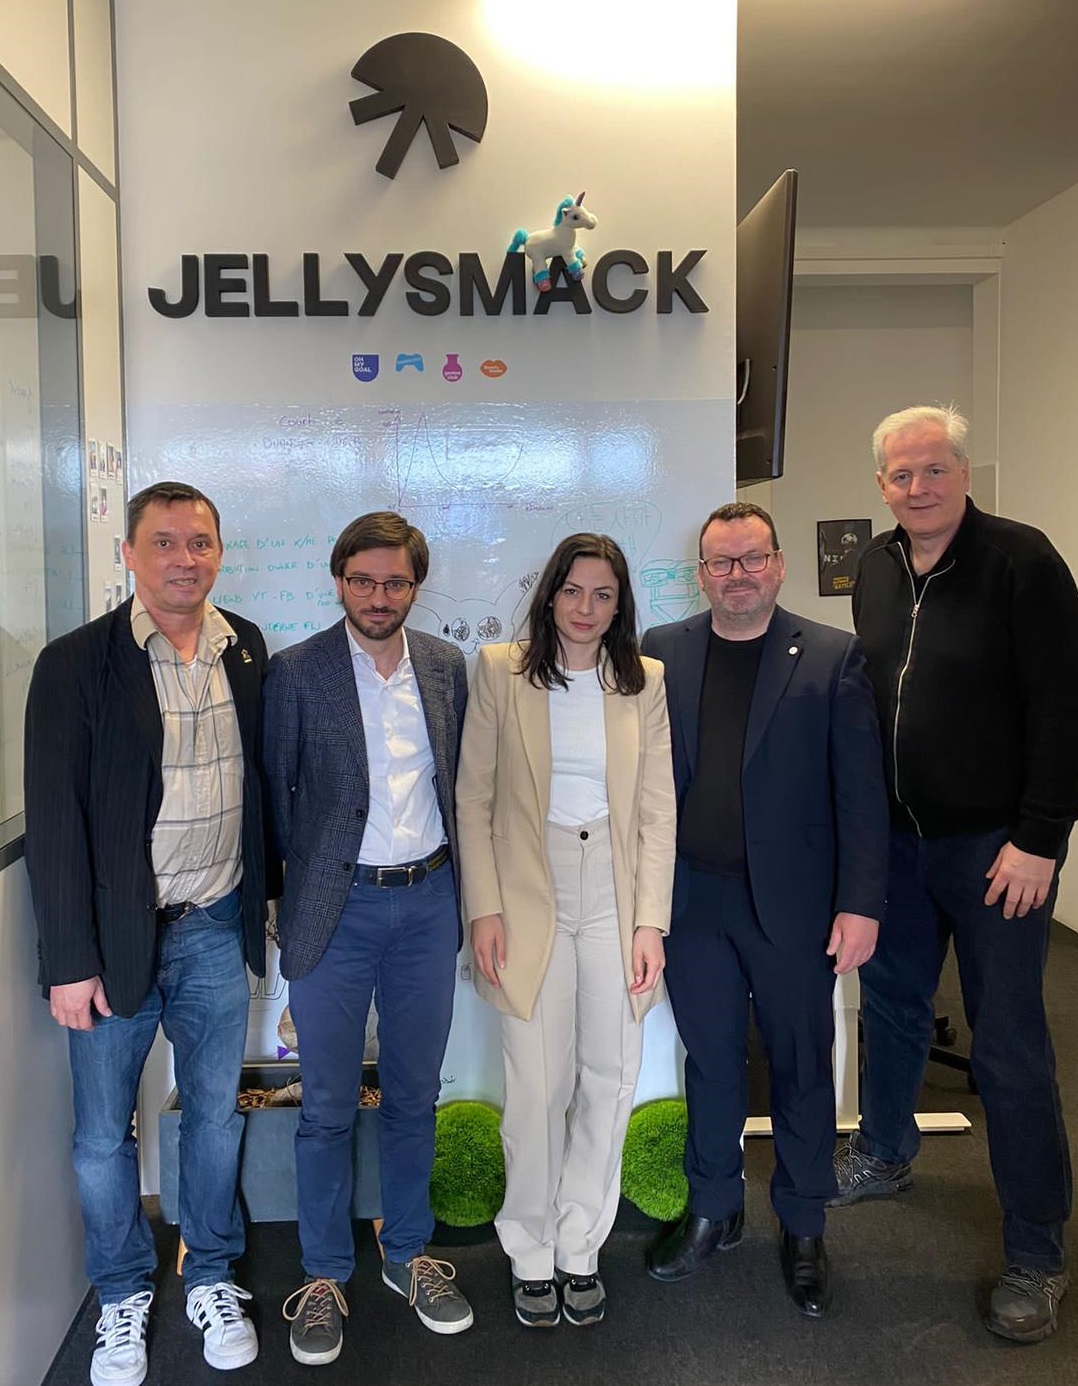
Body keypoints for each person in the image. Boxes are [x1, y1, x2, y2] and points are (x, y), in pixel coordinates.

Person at [830, 404, 1078, 1343]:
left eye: (935, 469)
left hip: (995, 851)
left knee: (1009, 1043)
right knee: (893, 1010)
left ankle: (1036, 1250)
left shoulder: (1023, 562)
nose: (919, 486)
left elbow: (1064, 706)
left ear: (964, 473)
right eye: (902, 474)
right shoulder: (876, 567)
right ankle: (887, 1153)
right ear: (881, 485)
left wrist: (1041, 836)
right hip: (899, 847)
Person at [24, 481, 276, 1386]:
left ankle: (209, 1273)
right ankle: (123, 1292)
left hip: (215, 922)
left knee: (212, 1116)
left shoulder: (245, 647)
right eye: (163, 542)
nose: (184, 559)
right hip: (112, 939)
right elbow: (55, 818)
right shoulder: (75, 663)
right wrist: (69, 960)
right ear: (128, 554)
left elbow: (263, 784)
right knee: (103, 1137)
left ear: (220, 552)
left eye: (199, 542)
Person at [641, 501, 888, 1317]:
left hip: (796, 906)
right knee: (711, 1061)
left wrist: (861, 904)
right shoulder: (661, 652)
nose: (737, 575)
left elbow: (862, 796)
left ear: (778, 565)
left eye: (751, 558)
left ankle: (804, 1224)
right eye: (721, 562)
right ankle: (714, 1209)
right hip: (694, 900)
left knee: (800, 1062)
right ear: (701, 574)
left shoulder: (831, 656)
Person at [263, 511, 472, 1366]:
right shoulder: (295, 673)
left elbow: (459, 787)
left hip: (428, 905)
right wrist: (292, 902)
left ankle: (409, 1253)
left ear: (415, 586)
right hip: (335, 912)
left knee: (415, 1095)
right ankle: (323, 1274)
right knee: (325, 1105)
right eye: (362, 581)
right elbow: (278, 798)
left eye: (394, 583)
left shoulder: (446, 667)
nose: (378, 598)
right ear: (339, 581)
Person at [455, 534, 677, 1329]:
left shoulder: (644, 679)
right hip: (528, 887)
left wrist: (651, 923)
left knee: (610, 1078)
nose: (586, 607)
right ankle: (530, 1249)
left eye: (603, 594)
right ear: (550, 594)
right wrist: (484, 908)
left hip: (615, 886)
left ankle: (581, 1245)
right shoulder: (500, 671)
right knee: (537, 1086)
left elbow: (657, 811)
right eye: (574, 590)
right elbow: (474, 798)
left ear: (620, 606)